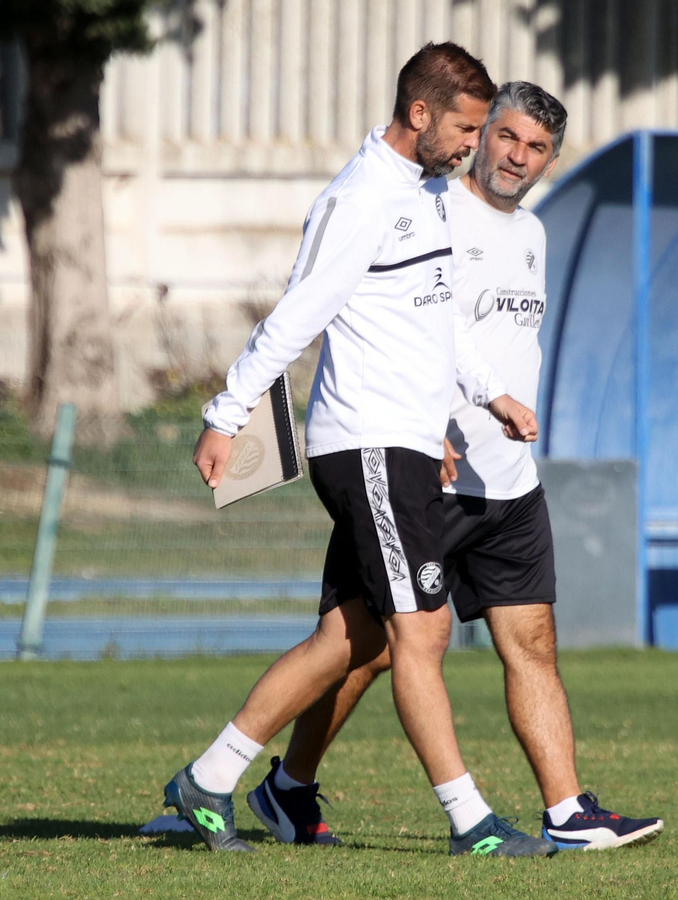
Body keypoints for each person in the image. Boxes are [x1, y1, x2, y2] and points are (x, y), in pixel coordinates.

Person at [243, 83, 664, 852]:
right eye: (505, 137)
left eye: (536, 149)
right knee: (361, 647)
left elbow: (492, 351)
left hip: (508, 482)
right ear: (480, 134)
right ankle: (276, 783)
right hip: (424, 474)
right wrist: (426, 427)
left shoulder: (533, 235)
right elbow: (391, 331)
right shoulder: (428, 211)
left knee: (532, 639)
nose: (516, 157)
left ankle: (567, 812)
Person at [164, 44, 557, 859]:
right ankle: (472, 823)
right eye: (467, 128)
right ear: (420, 114)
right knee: (423, 634)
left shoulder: (428, 195)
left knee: (353, 638)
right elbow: (295, 317)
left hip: (407, 448)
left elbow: (440, 323)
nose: (473, 145)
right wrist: (226, 413)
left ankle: (210, 777)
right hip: (367, 446)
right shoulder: (360, 199)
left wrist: (488, 396)